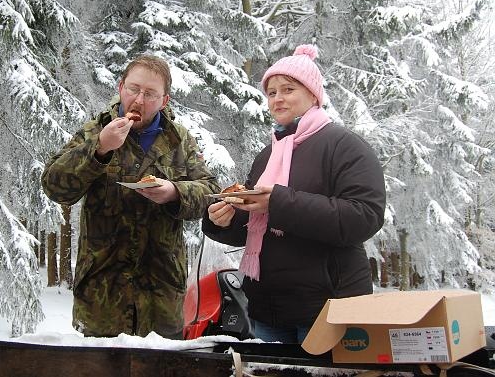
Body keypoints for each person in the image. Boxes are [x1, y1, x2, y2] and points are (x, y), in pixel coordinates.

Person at [202, 45, 386, 344]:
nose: (278, 98)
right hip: (268, 309)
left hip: (328, 306)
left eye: (288, 89)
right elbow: (254, 225)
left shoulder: (345, 146)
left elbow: (364, 217)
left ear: (313, 95)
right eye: (271, 92)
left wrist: (278, 202)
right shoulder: (268, 154)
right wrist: (223, 220)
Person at [41, 54, 220, 338]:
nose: (139, 100)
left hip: (161, 293)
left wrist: (175, 192)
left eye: (150, 94)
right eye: (134, 89)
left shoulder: (179, 140)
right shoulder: (96, 131)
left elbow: (211, 192)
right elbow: (55, 187)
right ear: (121, 87)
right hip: (102, 293)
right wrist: (99, 148)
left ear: (164, 101)